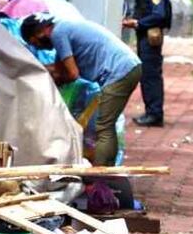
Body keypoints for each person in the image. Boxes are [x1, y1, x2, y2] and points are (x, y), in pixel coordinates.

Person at [21, 13, 142, 167]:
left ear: (40, 32)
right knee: (106, 125)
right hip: (127, 67)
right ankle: (107, 171)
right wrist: (36, 69)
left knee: (104, 126)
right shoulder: (64, 28)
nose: (38, 47)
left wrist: (47, 74)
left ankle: (102, 174)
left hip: (121, 71)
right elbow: (59, 68)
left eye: (35, 43)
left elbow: (72, 74)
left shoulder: (59, 33)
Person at [122, 0, 172, 127]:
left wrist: (137, 23)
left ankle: (155, 114)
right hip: (144, 38)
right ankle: (151, 111)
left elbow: (159, 15)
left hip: (150, 39)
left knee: (151, 76)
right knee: (147, 75)